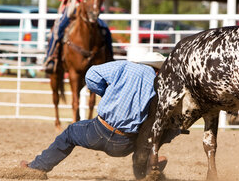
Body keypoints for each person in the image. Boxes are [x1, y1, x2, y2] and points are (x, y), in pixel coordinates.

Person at [21, 51, 171, 174]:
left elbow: (91, 75)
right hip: (126, 143)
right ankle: (146, 168)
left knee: (70, 134)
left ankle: (37, 168)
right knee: (153, 136)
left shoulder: (125, 66)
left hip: (99, 131)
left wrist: (106, 94)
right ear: (158, 69)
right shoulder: (160, 84)